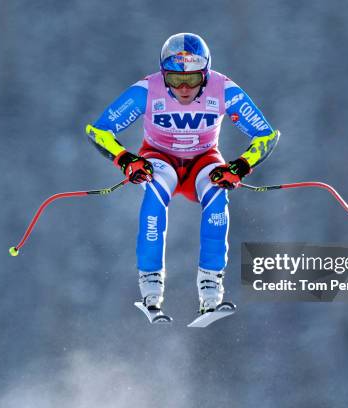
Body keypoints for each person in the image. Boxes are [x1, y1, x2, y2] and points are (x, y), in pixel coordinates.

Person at [85, 33, 279, 314]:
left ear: (207, 73)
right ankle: (150, 284)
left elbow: (266, 135)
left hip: (204, 160)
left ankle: (211, 285)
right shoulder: (147, 90)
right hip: (159, 158)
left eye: (195, 79)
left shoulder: (224, 89)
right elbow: (99, 131)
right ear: (164, 75)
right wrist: (126, 159)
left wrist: (240, 165)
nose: (185, 88)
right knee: (154, 193)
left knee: (217, 195)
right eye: (176, 80)